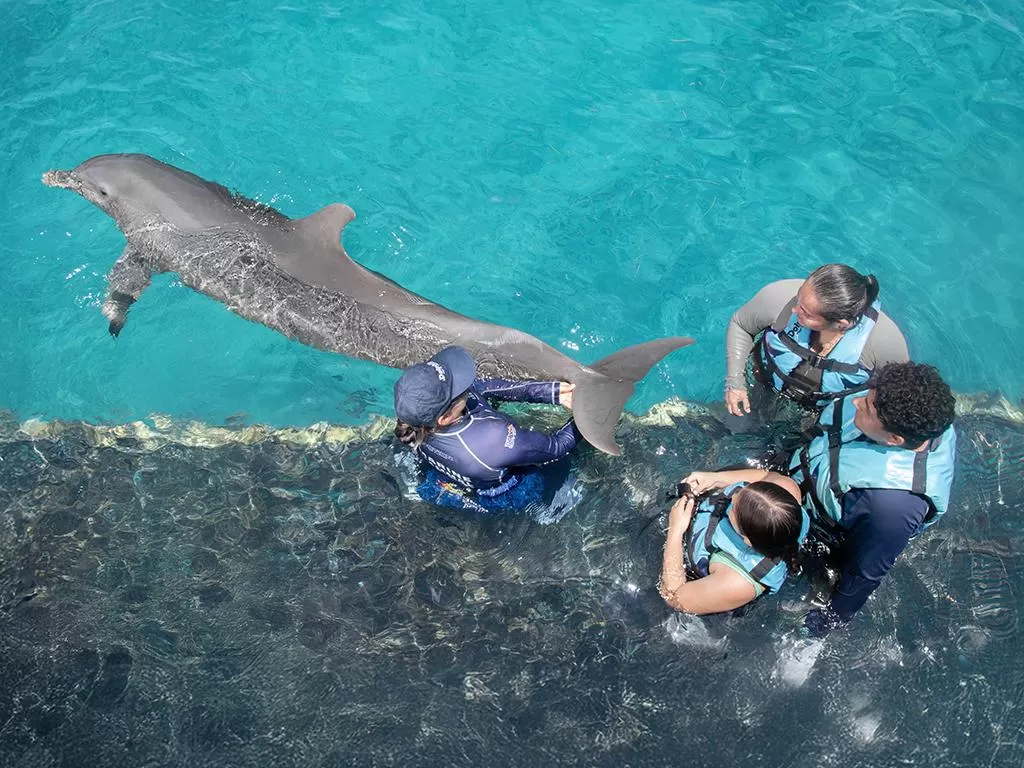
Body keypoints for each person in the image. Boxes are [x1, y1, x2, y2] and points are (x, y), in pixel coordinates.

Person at [788, 362, 957, 635]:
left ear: (893, 439)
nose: (855, 403)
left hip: (827, 534)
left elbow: (864, 576)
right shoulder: (921, 418)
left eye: (866, 407)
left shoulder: (891, 509)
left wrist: (818, 630)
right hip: (810, 465)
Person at [393, 345, 580, 513]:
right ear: (445, 418)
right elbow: (556, 447)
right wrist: (585, 410)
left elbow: (485, 387)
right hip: (508, 489)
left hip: (453, 476)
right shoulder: (493, 439)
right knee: (565, 470)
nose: (466, 384)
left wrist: (552, 392)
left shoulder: (410, 418)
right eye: (458, 388)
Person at [724, 264, 909, 427]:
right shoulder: (779, 296)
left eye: (805, 312)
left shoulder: (883, 342)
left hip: (820, 413)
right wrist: (735, 382)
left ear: (841, 324)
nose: (794, 309)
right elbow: (741, 325)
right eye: (799, 298)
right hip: (762, 381)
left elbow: (894, 398)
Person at [659, 468, 807, 614]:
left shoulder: (738, 583)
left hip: (716, 592)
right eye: (743, 489)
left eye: (734, 508)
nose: (733, 495)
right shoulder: (787, 489)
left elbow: (674, 598)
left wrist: (675, 531)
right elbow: (766, 475)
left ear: (747, 540)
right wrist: (715, 478)